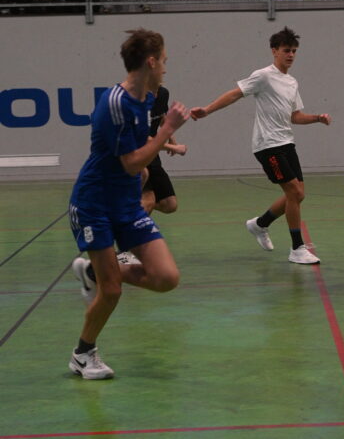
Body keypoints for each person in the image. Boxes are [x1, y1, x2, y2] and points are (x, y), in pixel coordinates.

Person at [68, 28, 190, 379]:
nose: (165, 67)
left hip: (126, 205)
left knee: (166, 277)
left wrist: (167, 143)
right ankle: (83, 354)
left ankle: (92, 271)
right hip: (94, 204)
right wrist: (166, 131)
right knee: (111, 290)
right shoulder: (115, 103)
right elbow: (132, 163)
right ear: (150, 62)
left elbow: (139, 144)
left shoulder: (146, 98)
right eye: (163, 60)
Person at [190, 26, 330, 265]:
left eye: (294, 51)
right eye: (286, 50)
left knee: (298, 194)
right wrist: (207, 110)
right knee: (294, 192)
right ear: (274, 51)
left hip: (287, 142)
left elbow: (295, 116)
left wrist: (317, 118)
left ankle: (259, 224)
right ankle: (297, 248)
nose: (291, 55)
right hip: (267, 145)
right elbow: (235, 94)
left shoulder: (292, 82)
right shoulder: (263, 76)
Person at [141, 84, 187, 215]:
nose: (162, 74)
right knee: (148, 201)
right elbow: (141, 138)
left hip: (152, 156)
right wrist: (173, 147)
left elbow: (161, 117)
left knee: (169, 204)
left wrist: (171, 137)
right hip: (137, 155)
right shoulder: (137, 98)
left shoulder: (163, 94)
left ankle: (129, 208)